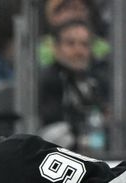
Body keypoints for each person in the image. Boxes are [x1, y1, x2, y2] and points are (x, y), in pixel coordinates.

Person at [38, 20, 109, 154]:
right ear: (56, 48)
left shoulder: (95, 79)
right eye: (71, 44)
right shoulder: (48, 80)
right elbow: (53, 124)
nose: (79, 50)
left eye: (84, 44)